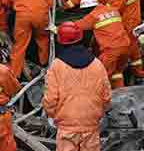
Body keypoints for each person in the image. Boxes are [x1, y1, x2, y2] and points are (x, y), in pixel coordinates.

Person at [43, 21, 111, 151]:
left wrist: (51, 115)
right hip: (91, 125)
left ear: (61, 41)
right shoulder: (97, 64)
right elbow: (106, 96)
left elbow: (50, 99)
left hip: (66, 128)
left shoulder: (56, 66)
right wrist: (100, 113)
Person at [7, 0, 54, 77]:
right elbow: (50, 3)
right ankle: (43, 66)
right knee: (43, 39)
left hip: (22, 15)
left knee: (20, 46)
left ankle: (14, 75)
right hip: (40, 16)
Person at [71, 0, 130, 88]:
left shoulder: (93, 15)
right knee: (116, 73)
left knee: (100, 77)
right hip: (125, 47)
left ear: (87, 9)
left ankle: (103, 98)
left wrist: (57, 29)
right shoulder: (112, 9)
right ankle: (121, 93)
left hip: (111, 51)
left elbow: (76, 26)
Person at [105, 0, 144, 82]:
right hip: (132, 24)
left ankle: (123, 79)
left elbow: (112, 9)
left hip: (128, 27)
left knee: (121, 60)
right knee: (134, 54)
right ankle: (139, 75)